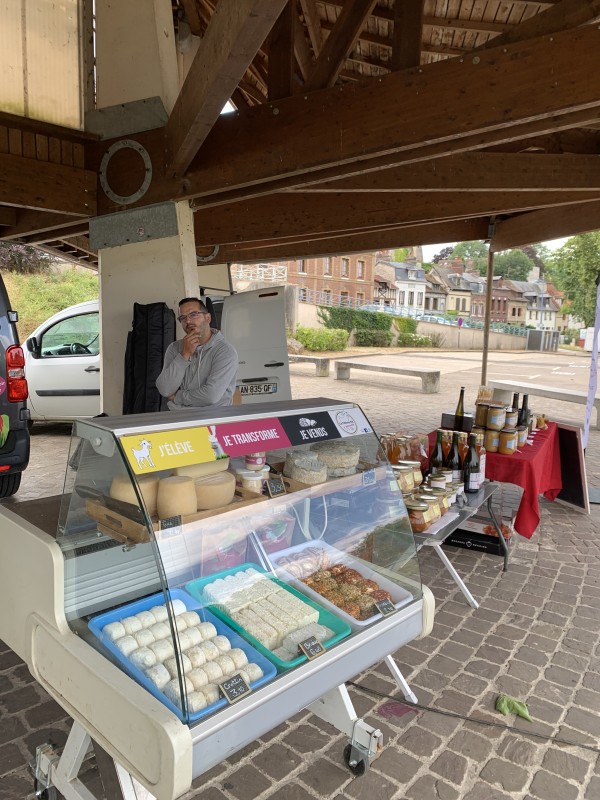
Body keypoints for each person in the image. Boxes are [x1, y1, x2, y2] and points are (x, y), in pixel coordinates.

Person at [156, 297, 238, 411]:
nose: (188, 321)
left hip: (212, 419)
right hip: (178, 419)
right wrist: (184, 354)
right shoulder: (175, 348)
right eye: (183, 318)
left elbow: (211, 396)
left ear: (208, 318)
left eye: (193, 314)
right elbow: (165, 389)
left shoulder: (224, 351)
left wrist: (177, 397)